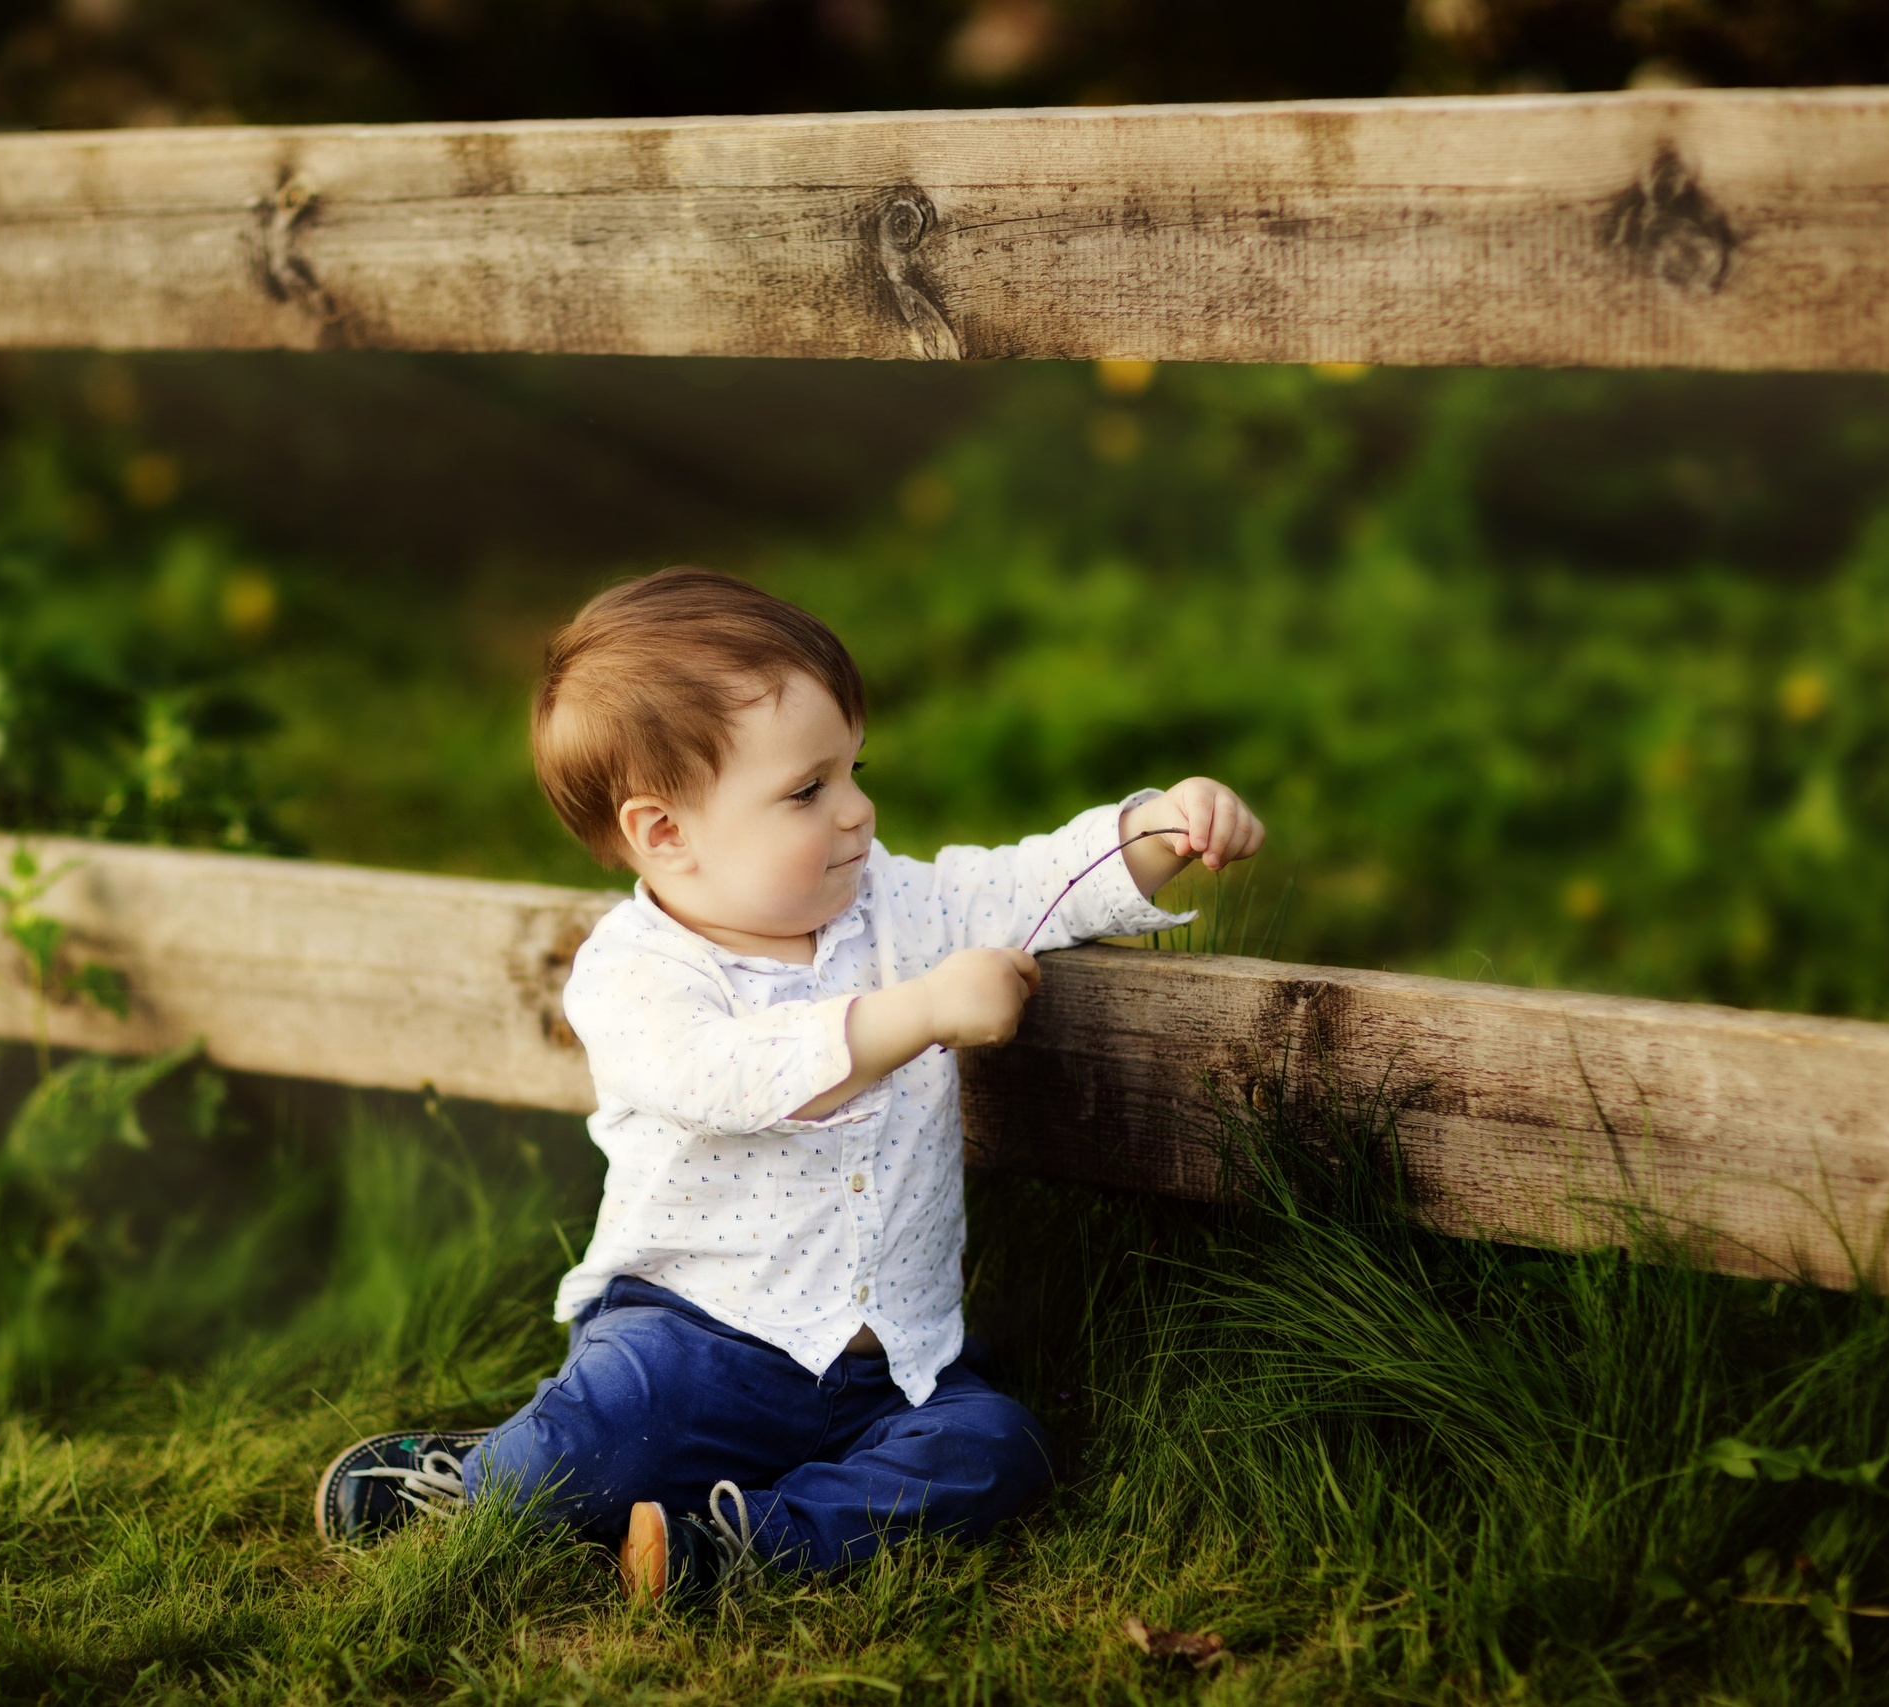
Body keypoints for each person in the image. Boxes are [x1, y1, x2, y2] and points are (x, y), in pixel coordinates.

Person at [316, 566, 1264, 1601]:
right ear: (664, 834)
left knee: (996, 1447)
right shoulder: (636, 972)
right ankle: (479, 1483)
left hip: (889, 1368)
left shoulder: (899, 908)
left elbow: (1030, 882)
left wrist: (1157, 831)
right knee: (618, 1428)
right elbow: (732, 1077)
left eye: (855, 768)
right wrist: (923, 1013)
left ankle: (742, 1543)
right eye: (807, 791)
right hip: (694, 1343)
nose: (858, 811)